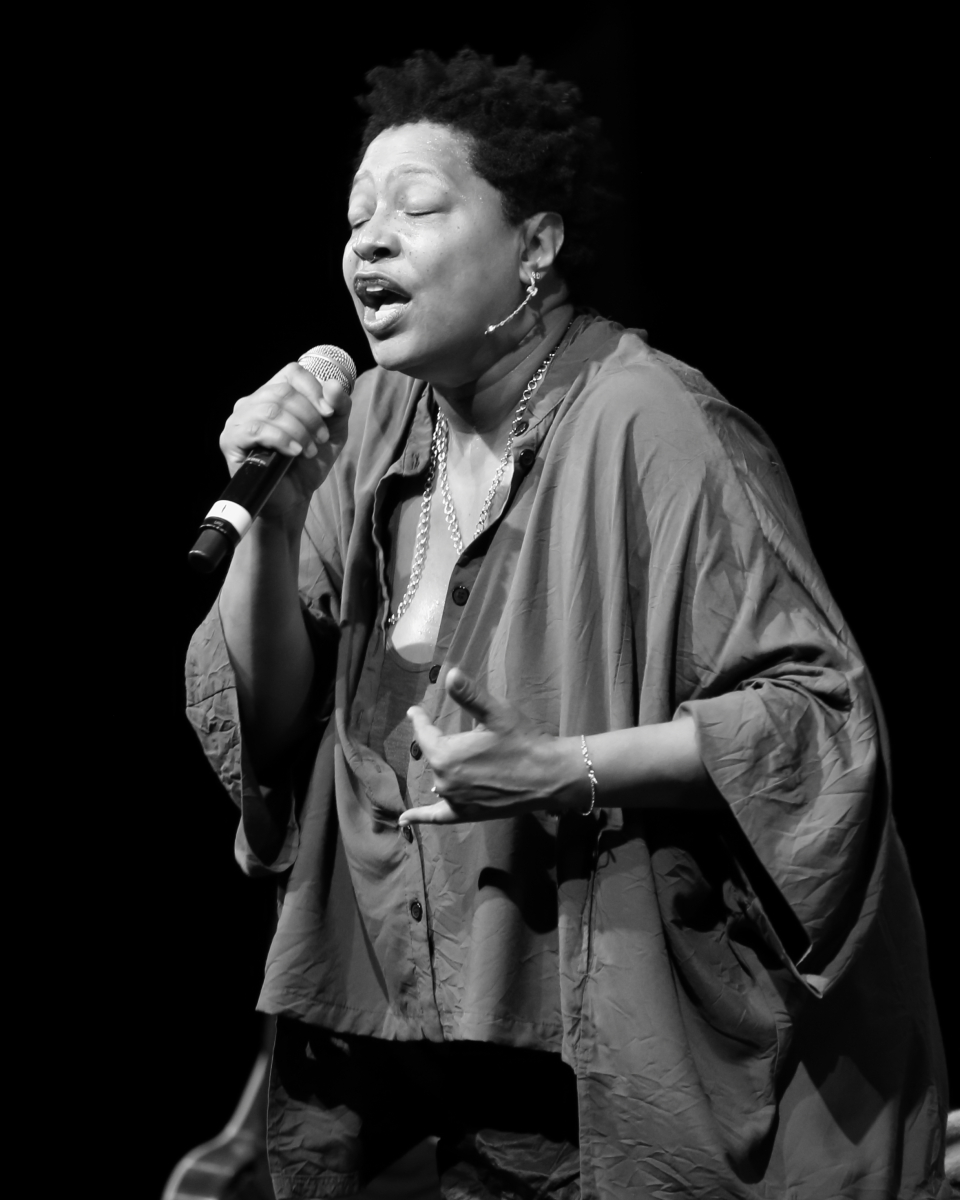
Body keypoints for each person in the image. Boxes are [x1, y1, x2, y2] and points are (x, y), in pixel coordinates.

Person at [186, 49, 950, 1199]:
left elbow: (812, 722)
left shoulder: (654, 422)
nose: (369, 242)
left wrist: (562, 768)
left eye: (416, 208)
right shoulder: (369, 428)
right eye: (355, 217)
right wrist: (279, 516)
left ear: (535, 245)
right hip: (388, 1045)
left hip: (590, 1055)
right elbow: (270, 717)